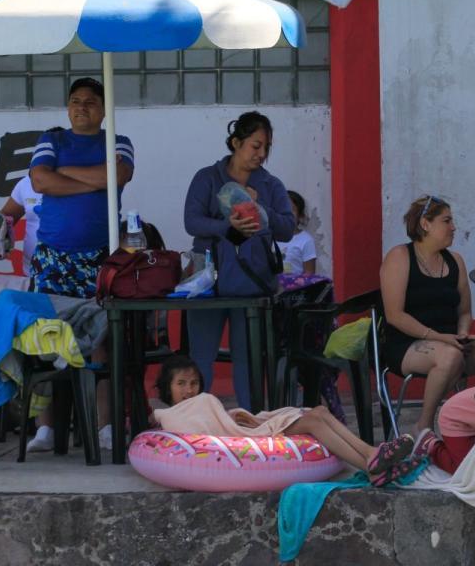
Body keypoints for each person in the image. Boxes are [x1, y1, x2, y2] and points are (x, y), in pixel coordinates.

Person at [25, 78, 134, 452]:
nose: (82, 107)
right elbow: (40, 180)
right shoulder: (51, 139)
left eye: (90, 102)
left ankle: (104, 427)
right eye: (75, 101)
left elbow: (117, 176)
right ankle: (46, 430)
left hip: (101, 257)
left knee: (102, 340)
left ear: (103, 109)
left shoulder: (117, 140)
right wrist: (96, 180)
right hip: (53, 257)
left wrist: (65, 174)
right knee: (45, 338)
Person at [152, 355, 419, 486]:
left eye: (194, 383)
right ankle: (371, 459)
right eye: (181, 384)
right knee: (314, 421)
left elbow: (217, 418)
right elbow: (207, 431)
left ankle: (373, 458)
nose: (189, 389)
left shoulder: (198, 401)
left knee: (319, 412)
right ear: (168, 387)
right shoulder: (172, 414)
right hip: (247, 440)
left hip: (247, 427)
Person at [183, 111, 296, 410]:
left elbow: (287, 228)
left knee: (247, 358)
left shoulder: (270, 185)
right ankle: (198, 421)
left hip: (253, 284)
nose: (262, 154)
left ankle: (252, 420)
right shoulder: (207, 177)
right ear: (236, 142)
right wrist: (227, 226)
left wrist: (260, 210)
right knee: (201, 358)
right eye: (255, 146)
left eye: (267, 147)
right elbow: (192, 222)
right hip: (209, 283)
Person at [380, 195, 475, 435]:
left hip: (451, 341)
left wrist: (463, 332)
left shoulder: (455, 260)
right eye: (446, 221)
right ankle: (424, 426)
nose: (453, 227)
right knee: (449, 357)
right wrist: (439, 337)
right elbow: (395, 315)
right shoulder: (400, 257)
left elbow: (465, 311)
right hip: (407, 344)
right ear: (426, 224)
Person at [0, 174, 45, 277]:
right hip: (33, 272)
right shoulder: (26, 183)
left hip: (74, 271)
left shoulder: (77, 180)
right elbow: (5, 218)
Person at [278, 190, 318, 275]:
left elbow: (309, 275)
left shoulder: (306, 241)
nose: (286, 214)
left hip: (297, 288)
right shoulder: (271, 239)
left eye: (291, 209)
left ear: (300, 216)